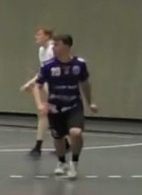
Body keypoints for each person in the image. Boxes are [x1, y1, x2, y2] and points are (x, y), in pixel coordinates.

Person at [21, 32, 97, 179]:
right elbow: (37, 86)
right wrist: (39, 104)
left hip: (74, 105)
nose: (53, 48)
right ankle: (62, 162)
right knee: (58, 137)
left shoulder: (79, 64)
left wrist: (90, 102)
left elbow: (85, 84)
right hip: (55, 107)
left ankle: (74, 162)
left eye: (56, 45)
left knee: (76, 132)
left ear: (66, 46)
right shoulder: (49, 66)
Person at [29, 26, 56, 156]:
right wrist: (30, 82)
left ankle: (39, 146)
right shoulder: (41, 50)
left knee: (50, 114)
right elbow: (43, 71)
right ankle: (38, 146)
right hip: (48, 84)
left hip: (57, 86)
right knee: (45, 114)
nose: (36, 37)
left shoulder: (53, 49)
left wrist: (33, 82)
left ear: (47, 36)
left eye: (39, 34)